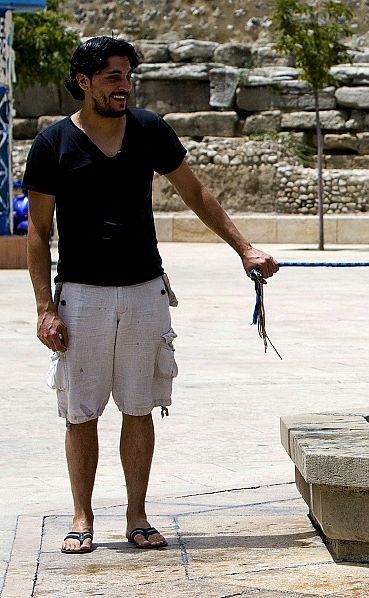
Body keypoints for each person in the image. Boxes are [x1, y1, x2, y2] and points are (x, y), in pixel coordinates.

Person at [23, 36, 279, 554]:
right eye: (113, 77)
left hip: (145, 291)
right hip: (82, 294)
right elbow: (38, 232)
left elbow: (195, 193)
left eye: (127, 77)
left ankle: (137, 516)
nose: (124, 86)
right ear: (84, 83)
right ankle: (82, 517)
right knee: (81, 411)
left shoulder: (148, 130)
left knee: (139, 407)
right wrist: (44, 309)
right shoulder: (53, 145)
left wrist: (244, 250)